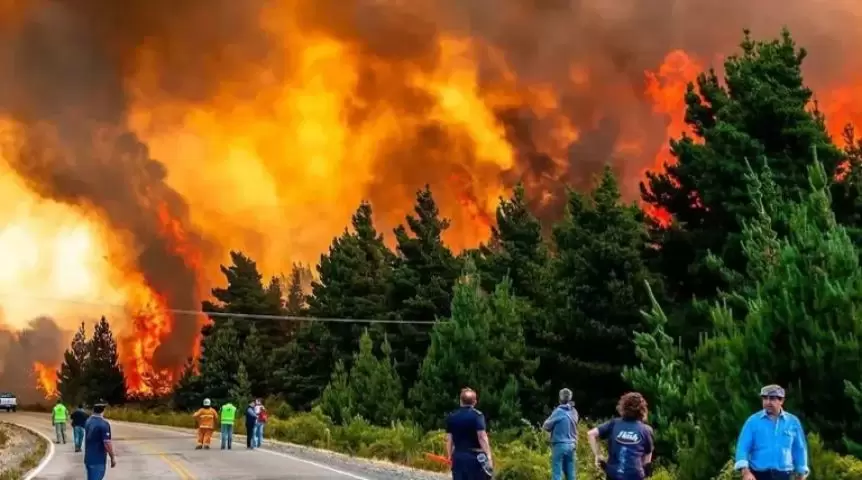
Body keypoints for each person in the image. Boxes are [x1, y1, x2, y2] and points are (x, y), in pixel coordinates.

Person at [734, 385, 810, 480]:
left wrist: (801, 474)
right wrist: (746, 472)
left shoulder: (793, 422)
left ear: (781, 401)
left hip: (784, 476)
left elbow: (800, 449)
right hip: (758, 475)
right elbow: (742, 447)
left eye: (772, 399)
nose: (768, 402)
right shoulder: (753, 421)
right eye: (765, 398)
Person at [588, 392, 655, 480]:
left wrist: (598, 455)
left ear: (623, 407)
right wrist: (645, 467)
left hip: (613, 474)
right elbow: (648, 451)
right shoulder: (646, 430)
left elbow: (591, 434)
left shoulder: (614, 423)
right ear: (642, 410)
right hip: (635, 475)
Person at [445, 388, 493, 480]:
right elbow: (482, 437)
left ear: (460, 401)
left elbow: (449, 439)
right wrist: (489, 457)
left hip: (458, 456)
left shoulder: (452, 416)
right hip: (474, 457)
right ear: (474, 402)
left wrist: (450, 456)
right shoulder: (477, 416)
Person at [543, 388, 579, 480]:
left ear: (560, 399)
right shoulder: (574, 412)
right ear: (570, 398)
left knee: (557, 473)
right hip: (572, 445)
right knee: (571, 473)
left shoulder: (558, 412)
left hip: (560, 445)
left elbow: (546, 426)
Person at [83, 401, 116, 480]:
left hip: (88, 458)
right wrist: (112, 457)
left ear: (93, 410)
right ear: (103, 411)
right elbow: (107, 443)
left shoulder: (88, 421)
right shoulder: (103, 424)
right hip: (98, 459)